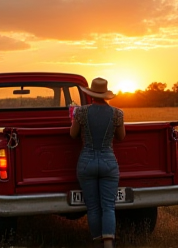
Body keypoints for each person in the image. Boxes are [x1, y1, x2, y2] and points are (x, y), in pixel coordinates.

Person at [70, 77, 126, 248]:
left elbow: (73, 135)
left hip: (86, 161)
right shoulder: (117, 113)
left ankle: (96, 243)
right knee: (108, 206)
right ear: (106, 95)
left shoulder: (80, 112)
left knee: (93, 207)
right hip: (108, 161)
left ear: (91, 94)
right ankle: (109, 244)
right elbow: (121, 137)